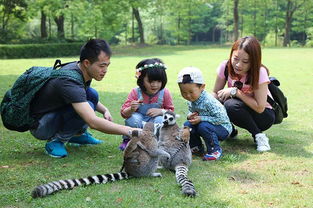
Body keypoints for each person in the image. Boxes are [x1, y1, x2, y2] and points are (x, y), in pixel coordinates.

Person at [29, 39, 139, 158]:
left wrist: (105, 110)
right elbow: (92, 121)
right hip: (42, 125)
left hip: (53, 114)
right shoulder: (69, 81)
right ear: (87, 63)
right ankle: (56, 141)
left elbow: (84, 95)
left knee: (92, 94)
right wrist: (130, 131)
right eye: (102, 66)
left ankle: (77, 135)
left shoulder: (81, 69)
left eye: (107, 65)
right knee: (89, 106)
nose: (105, 70)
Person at [212, 36, 275, 152]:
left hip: (263, 116)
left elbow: (260, 107)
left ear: (254, 61)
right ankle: (229, 129)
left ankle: (259, 136)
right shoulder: (225, 67)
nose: (238, 65)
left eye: (245, 62)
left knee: (230, 104)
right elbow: (215, 93)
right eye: (235, 58)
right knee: (219, 100)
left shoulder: (260, 72)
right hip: (240, 109)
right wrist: (202, 103)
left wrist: (236, 92)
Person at [177, 67, 232, 161]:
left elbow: (221, 118)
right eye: (184, 92)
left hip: (222, 128)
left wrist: (201, 118)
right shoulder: (192, 99)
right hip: (206, 124)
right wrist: (190, 116)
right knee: (187, 124)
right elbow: (192, 111)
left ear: (202, 87)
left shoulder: (208, 101)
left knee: (203, 126)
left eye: (191, 92)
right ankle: (196, 147)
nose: (187, 95)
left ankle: (215, 150)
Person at [119, 58, 174, 150]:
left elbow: (171, 112)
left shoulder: (165, 93)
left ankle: (157, 142)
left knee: (161, 120)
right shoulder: (136, 92)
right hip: (139, 121)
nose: (155, 85)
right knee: (133, 119)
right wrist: (131, 109)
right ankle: (129, 140)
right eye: (150, 81)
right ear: (141, 79)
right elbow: (124, 114)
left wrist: (161, 111)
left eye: (158, 81)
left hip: (154, 122)